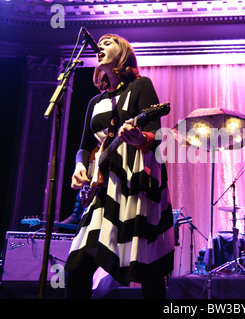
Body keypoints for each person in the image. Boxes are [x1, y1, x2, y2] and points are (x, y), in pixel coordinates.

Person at [64, 33, 174, 299]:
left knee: (148, 267)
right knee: (76, 266)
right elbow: (85, 146)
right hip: (102, 189)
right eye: (99, 44)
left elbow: (154, 135)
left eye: (108, 43)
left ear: (123, 54)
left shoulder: (141, 86)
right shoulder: (95, 102)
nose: (100, 46)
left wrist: (139, 138)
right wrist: (80, 166)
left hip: (136, 181)